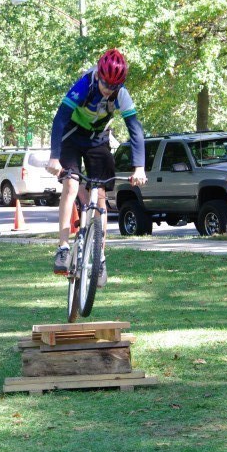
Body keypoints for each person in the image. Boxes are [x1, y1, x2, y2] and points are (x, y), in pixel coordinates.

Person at [47, 49, 147, 287]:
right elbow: (60, 119)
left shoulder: (121, 94)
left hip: (97, 140)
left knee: (101, 196)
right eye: (104, 83)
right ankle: (62, 248)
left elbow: (135, 129)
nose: (107, 89)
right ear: (99, 76)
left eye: (113, 86)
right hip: (71, 136)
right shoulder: (84, 85)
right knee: (71, 185)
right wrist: (54, 157)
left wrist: (139, 167)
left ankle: (100, 258)